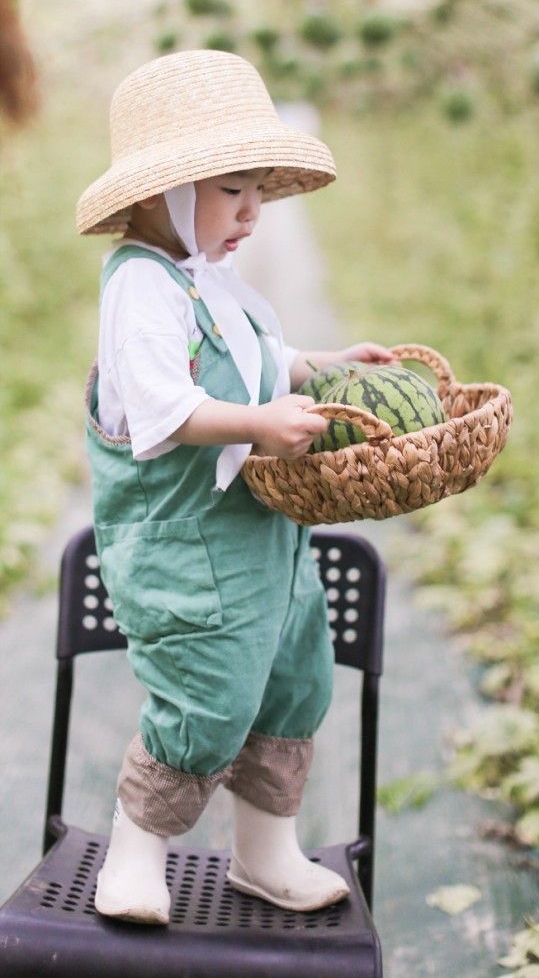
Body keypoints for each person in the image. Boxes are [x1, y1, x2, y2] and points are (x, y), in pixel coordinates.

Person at [75, 49, 394, 925]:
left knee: (293, 678)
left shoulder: (204, 276)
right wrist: (258, 423)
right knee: (205, 691)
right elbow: (162, 408)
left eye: (258, 190)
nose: (253, 211)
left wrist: (314, 364)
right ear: (158, 194)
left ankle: (265, 852)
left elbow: (249, 357)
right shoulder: (139, 286)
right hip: (189, 550)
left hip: (265, 538)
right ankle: (134, 855)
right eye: (233, 190)